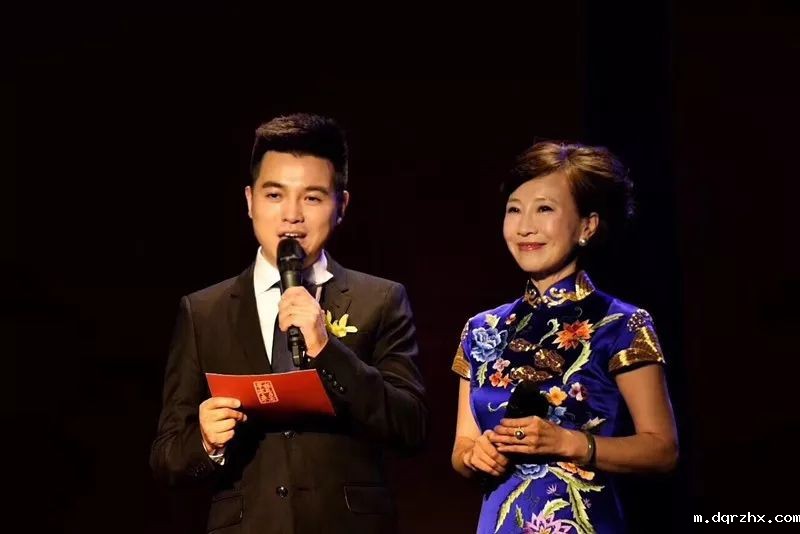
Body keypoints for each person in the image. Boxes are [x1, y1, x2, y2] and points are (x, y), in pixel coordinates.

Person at [150, 113, 428, 534]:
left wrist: (328, 350)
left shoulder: (381, 299)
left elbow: (411, 427)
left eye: (312, 198)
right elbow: (167, 456)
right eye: (275, 195)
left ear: (341, 206)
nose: (292, 215)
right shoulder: (203, 311)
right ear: (250, 201)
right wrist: (205, 441)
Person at [450, 141, 678, 533]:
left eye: (544, 209)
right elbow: (462, 447)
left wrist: (567, 442)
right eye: (514, 210)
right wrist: (475, 456)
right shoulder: (482, 330)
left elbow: (662, 449)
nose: (525, 226)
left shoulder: (621, 324)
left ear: (587, 226)